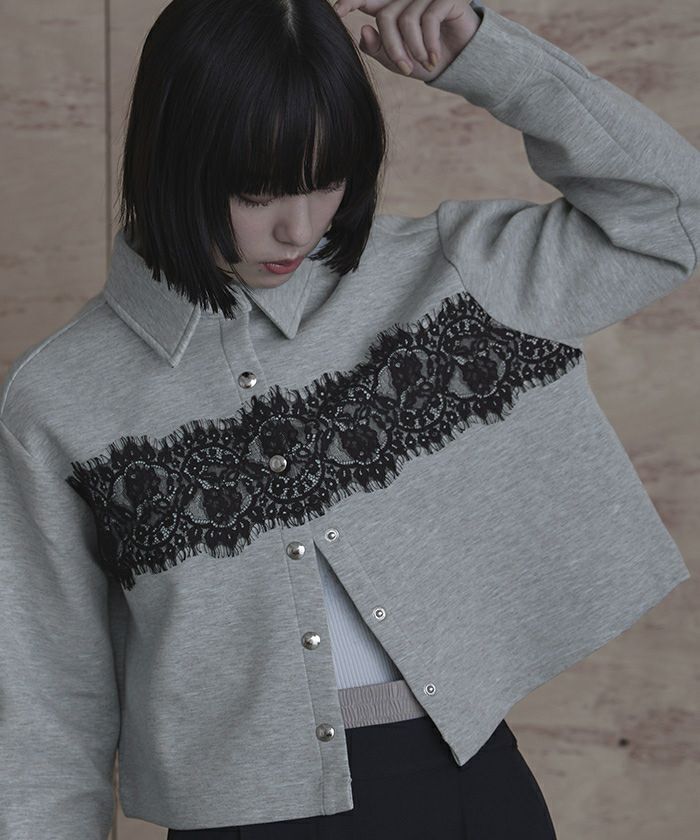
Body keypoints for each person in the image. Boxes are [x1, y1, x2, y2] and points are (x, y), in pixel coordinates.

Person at [1, 1, 697, 838]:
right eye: (257, 194)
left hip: (465, 792)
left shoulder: (449, 276)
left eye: (326, 181)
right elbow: (45, 712)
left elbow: (672, 217)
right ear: (171, 161)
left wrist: (492, 61)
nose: (297, 228)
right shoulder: (59, 398)